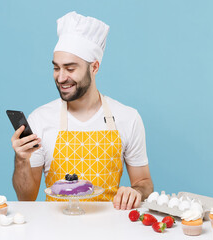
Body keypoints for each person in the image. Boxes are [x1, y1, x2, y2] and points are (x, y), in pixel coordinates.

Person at [11, 11, 153, 210]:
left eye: (70, 69)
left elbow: (144, 182)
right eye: (56, 68)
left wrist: (136, 191)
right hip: (55, 228)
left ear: (94, 67)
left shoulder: (127, 117)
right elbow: (26, 199)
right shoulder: (40, 119)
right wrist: (21, 160)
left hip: (111, 229)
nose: (60, 78)